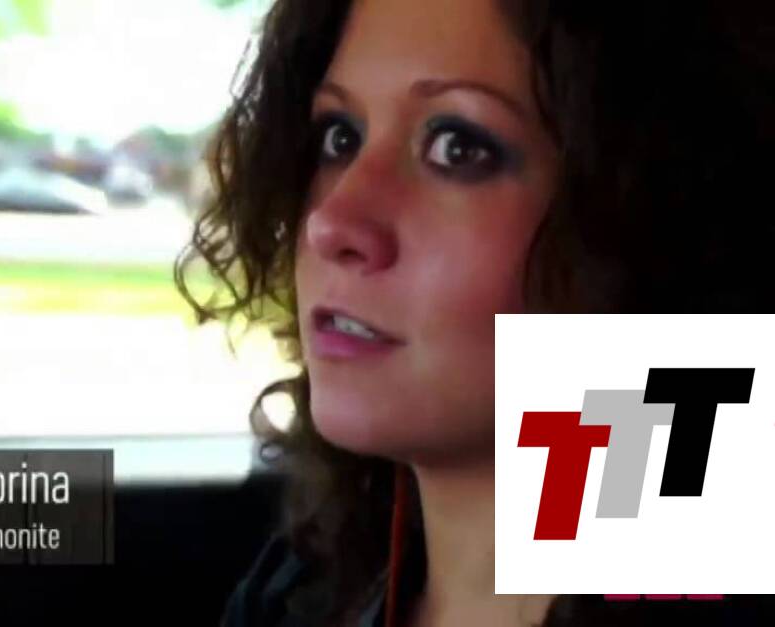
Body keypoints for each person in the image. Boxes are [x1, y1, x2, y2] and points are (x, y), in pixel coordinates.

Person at [175, 0, 775, 625]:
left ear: (659, 218)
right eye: (340, 137)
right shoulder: (296, 594)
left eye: (458, 148)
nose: (333, 222)